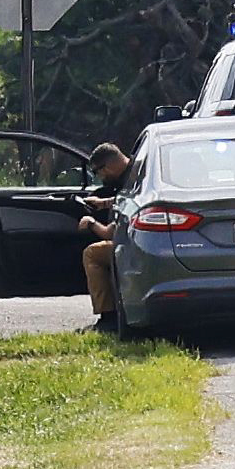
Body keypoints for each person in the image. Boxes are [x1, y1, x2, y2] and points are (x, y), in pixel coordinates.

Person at [78, 142, 132, 333]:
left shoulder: (130, 183)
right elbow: (125, 199)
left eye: (97, 172)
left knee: (92, 254)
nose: (100, 178)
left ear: (107, 167)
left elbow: (110, 234)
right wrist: (103, 203)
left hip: (134, 246)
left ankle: (108, 318)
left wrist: (90, 222)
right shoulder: (138, 175)